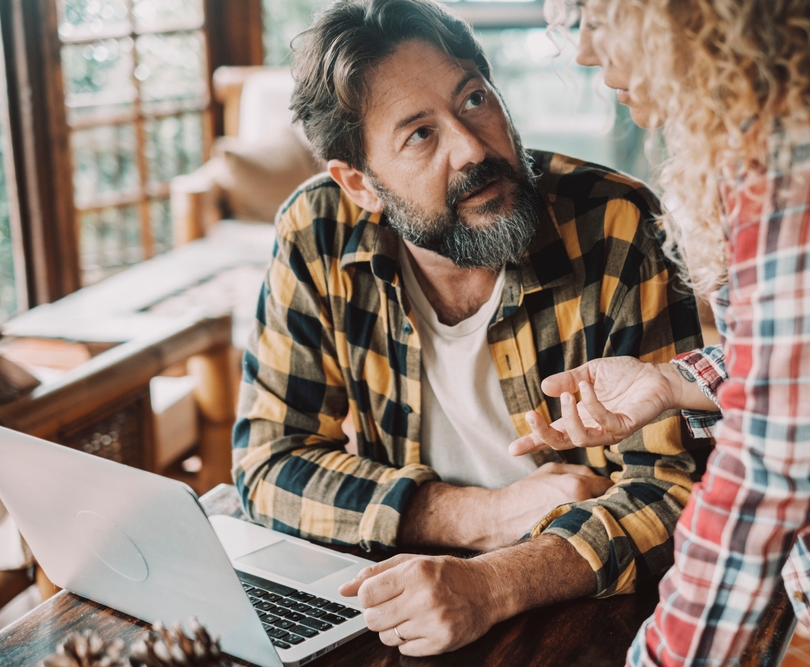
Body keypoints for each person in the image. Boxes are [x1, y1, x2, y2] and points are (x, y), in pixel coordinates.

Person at [232, 0, 711, 656]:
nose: (473, 147)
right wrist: (482, 515)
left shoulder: (617, 222)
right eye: (421, 135)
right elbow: (267, 466)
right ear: (359, 183)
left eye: (476, 99)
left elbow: (674, 488)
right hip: (410, 599)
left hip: (586, 607)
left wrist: (494, 582)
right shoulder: (317, 231)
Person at [513, 0, 810, 665]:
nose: (582, 50)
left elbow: (769, 464)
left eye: (599, 16)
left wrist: (660, 659)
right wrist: (669, 380)